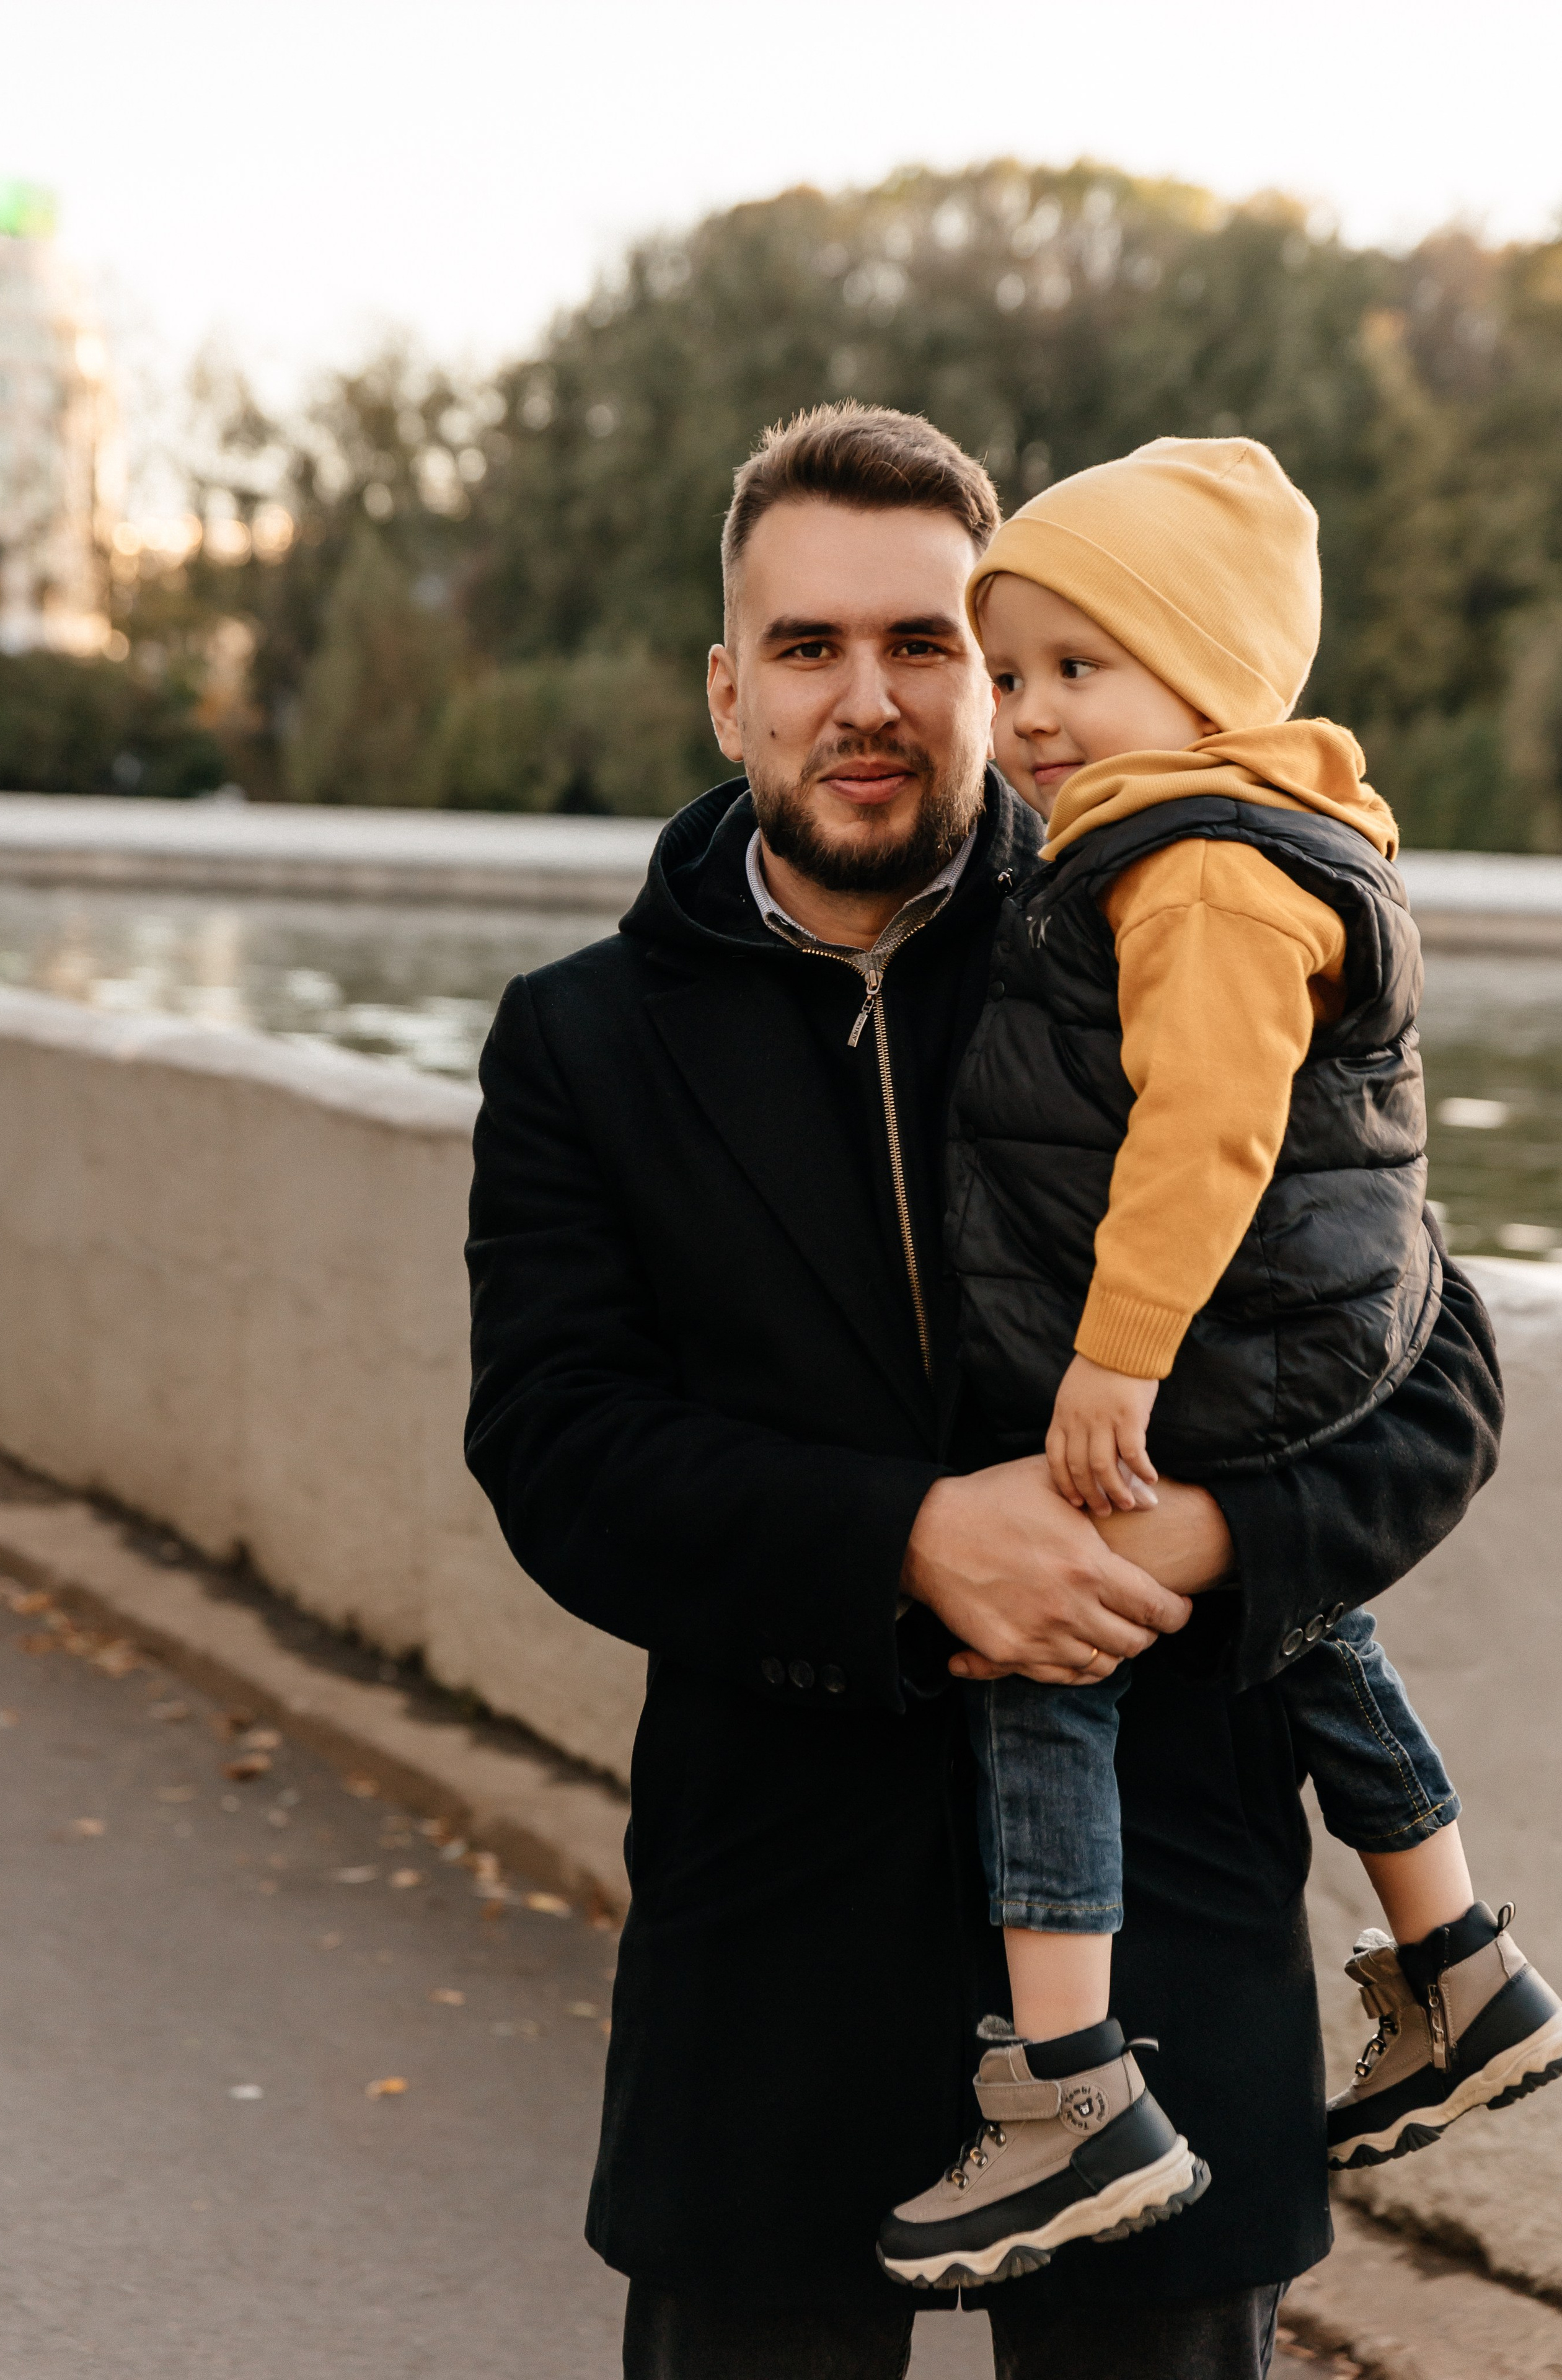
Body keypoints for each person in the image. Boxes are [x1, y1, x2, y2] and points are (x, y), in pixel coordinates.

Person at [464, 403, 1503, 2380]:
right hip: (773, 1957)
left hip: (1174, 1953)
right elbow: (557, 1447)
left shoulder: (1175, 932)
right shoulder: (580, 1047)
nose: (871, 699)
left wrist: (1201, 1537)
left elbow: (1432, 1369)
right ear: (725, 689)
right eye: (807, 647)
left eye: (927, 643)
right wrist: (914, 1543)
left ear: (1010, 671)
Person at [876, 439, 1561, 2294]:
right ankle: (1458, 1962)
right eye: (1007, 675)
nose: (1023, 717)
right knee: (1309, 1615)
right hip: (1307, 1321)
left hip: (1228, 1329)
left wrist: (1108, 1367)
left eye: (1075, 671)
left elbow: (1204, 1142)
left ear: (1211, 674)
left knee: (1041, 1642)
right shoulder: (1216, 838)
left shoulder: (1197, 874)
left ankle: (1070, 2086)